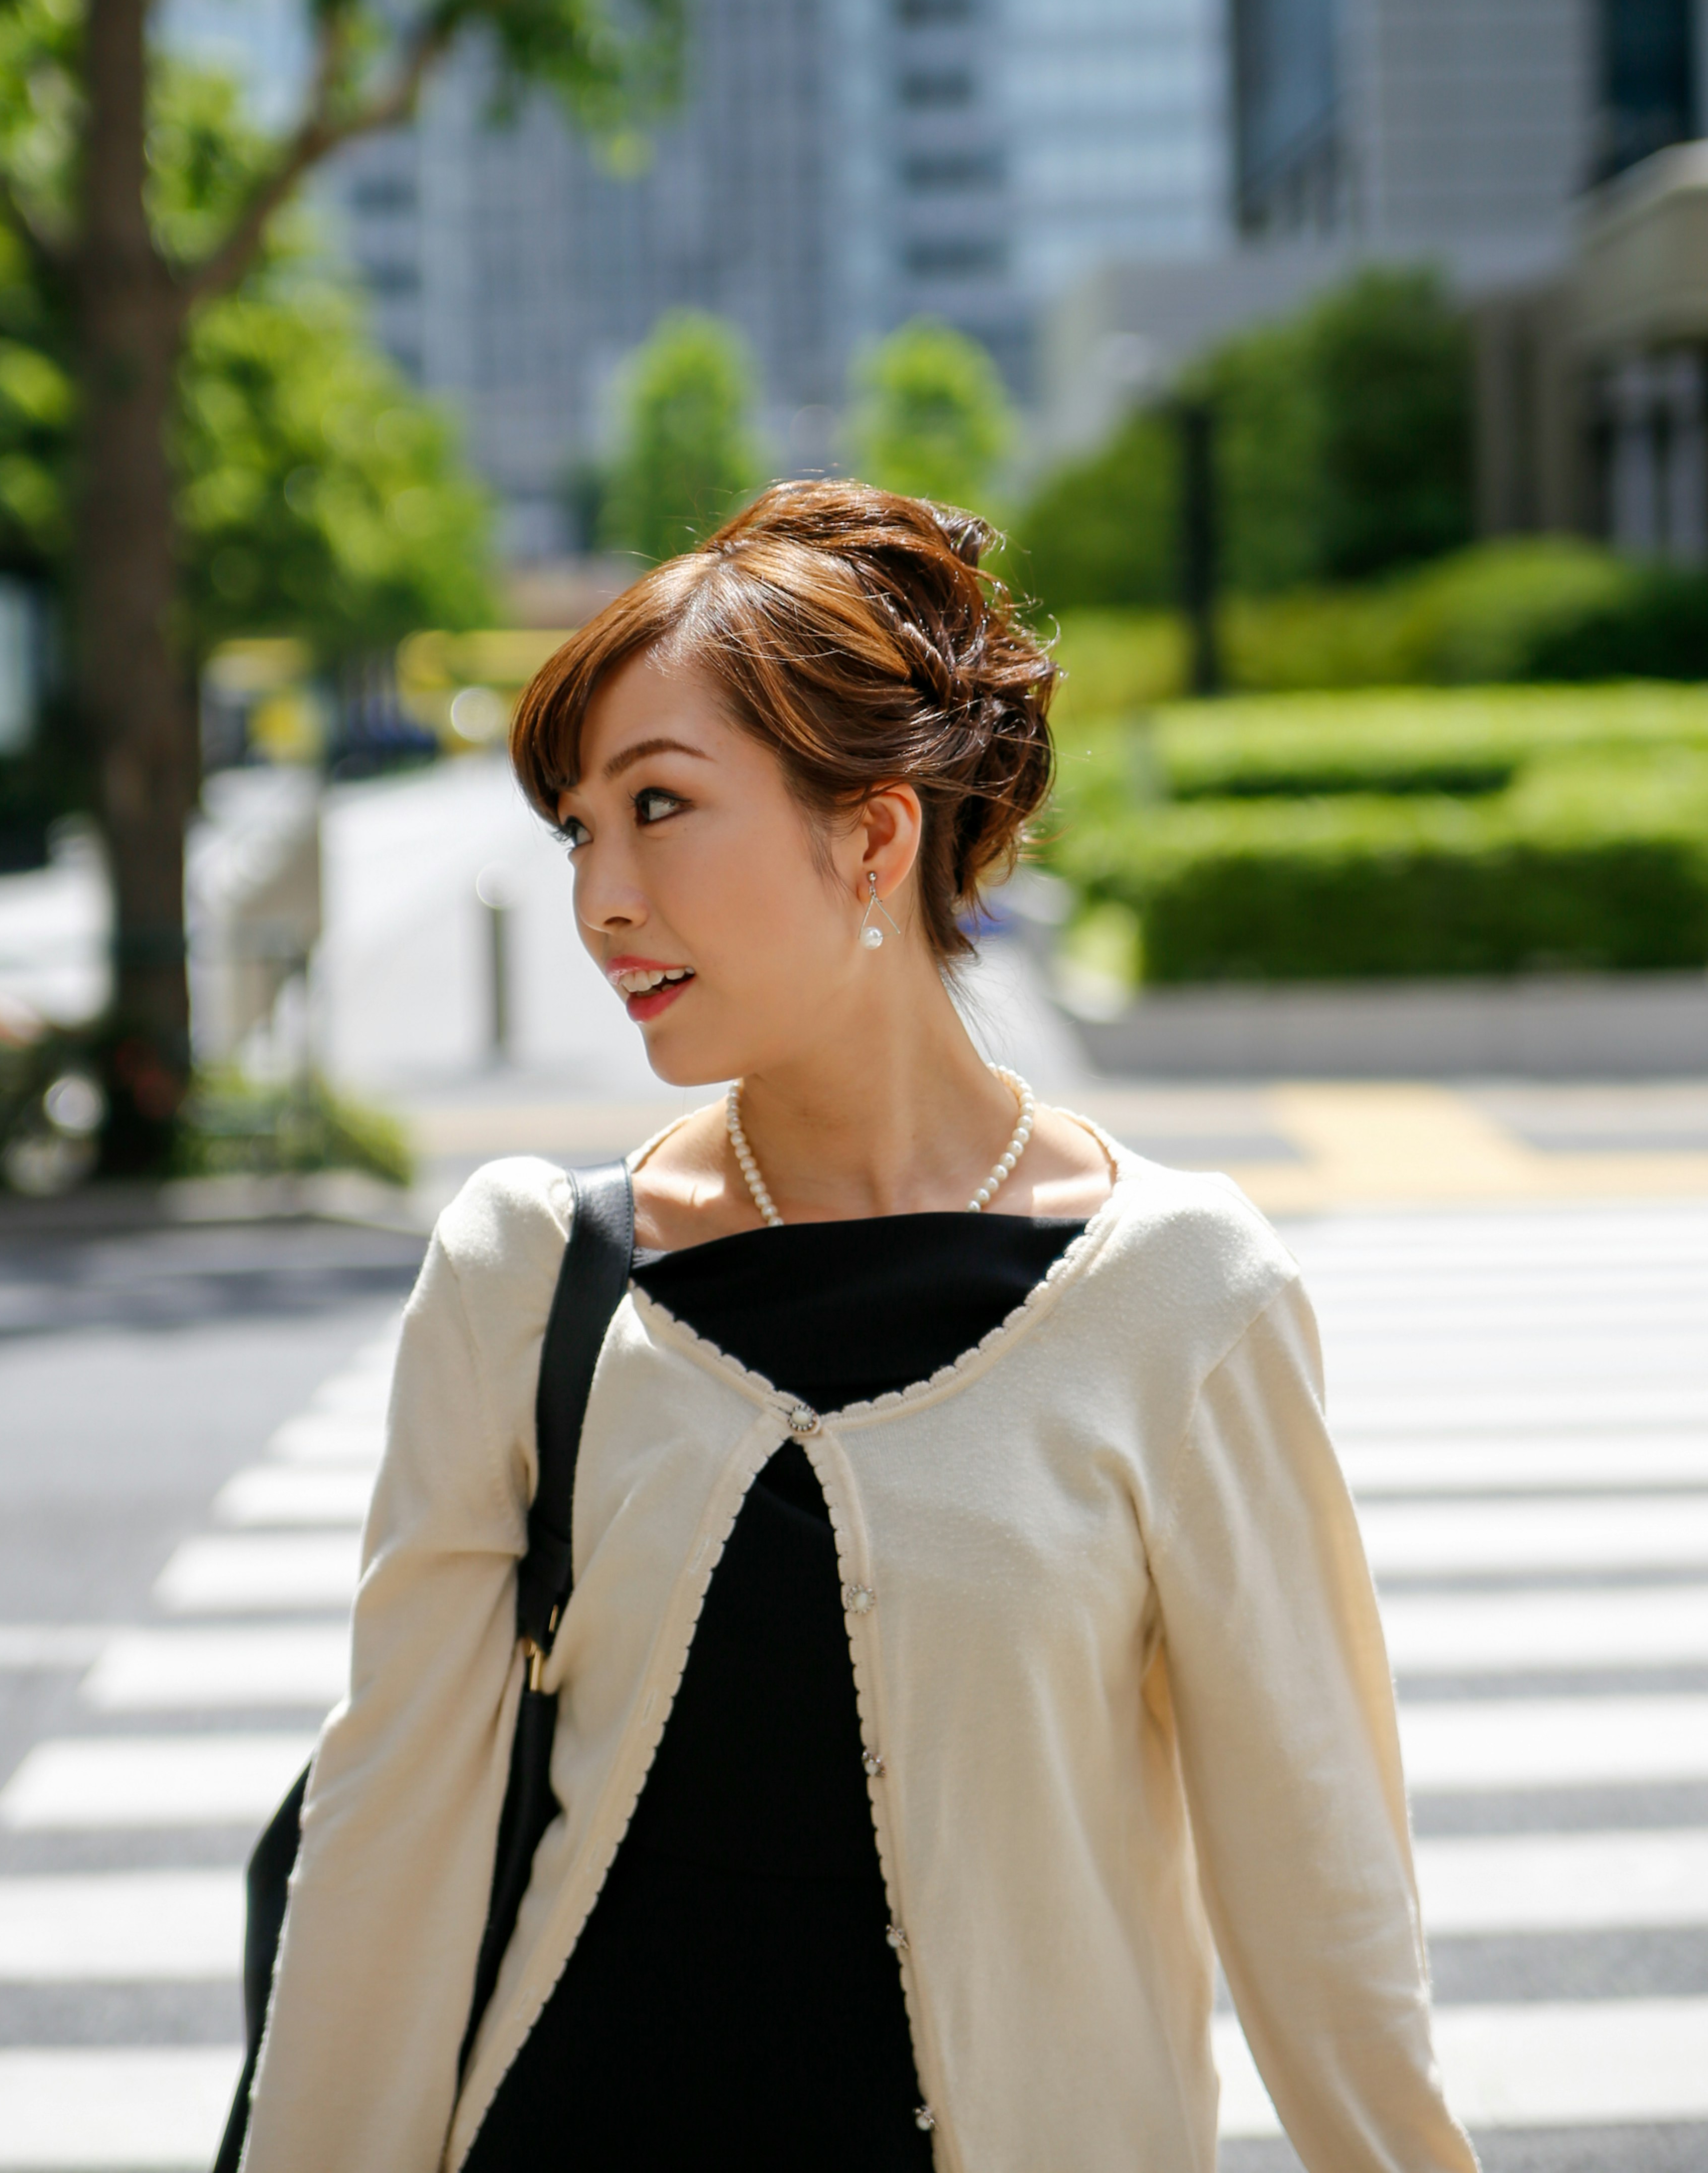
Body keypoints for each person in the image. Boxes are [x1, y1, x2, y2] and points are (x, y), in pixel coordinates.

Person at [240, 481, 1477, 2173]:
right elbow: (389, 1831)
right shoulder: (528, 1270)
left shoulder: (1183, 1296)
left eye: (658, 808)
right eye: (578, 831)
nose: (602, 898)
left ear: (874, 839)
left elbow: (1321, 1891)